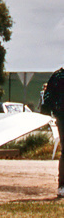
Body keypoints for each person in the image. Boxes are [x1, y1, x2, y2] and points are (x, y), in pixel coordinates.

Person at [40, 68, 64, 197]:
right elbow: (48, 96)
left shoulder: (57, 76)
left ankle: (62, 185)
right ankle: (62, 185)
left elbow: (48, 96)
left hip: (60, 115)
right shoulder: (58, 76)